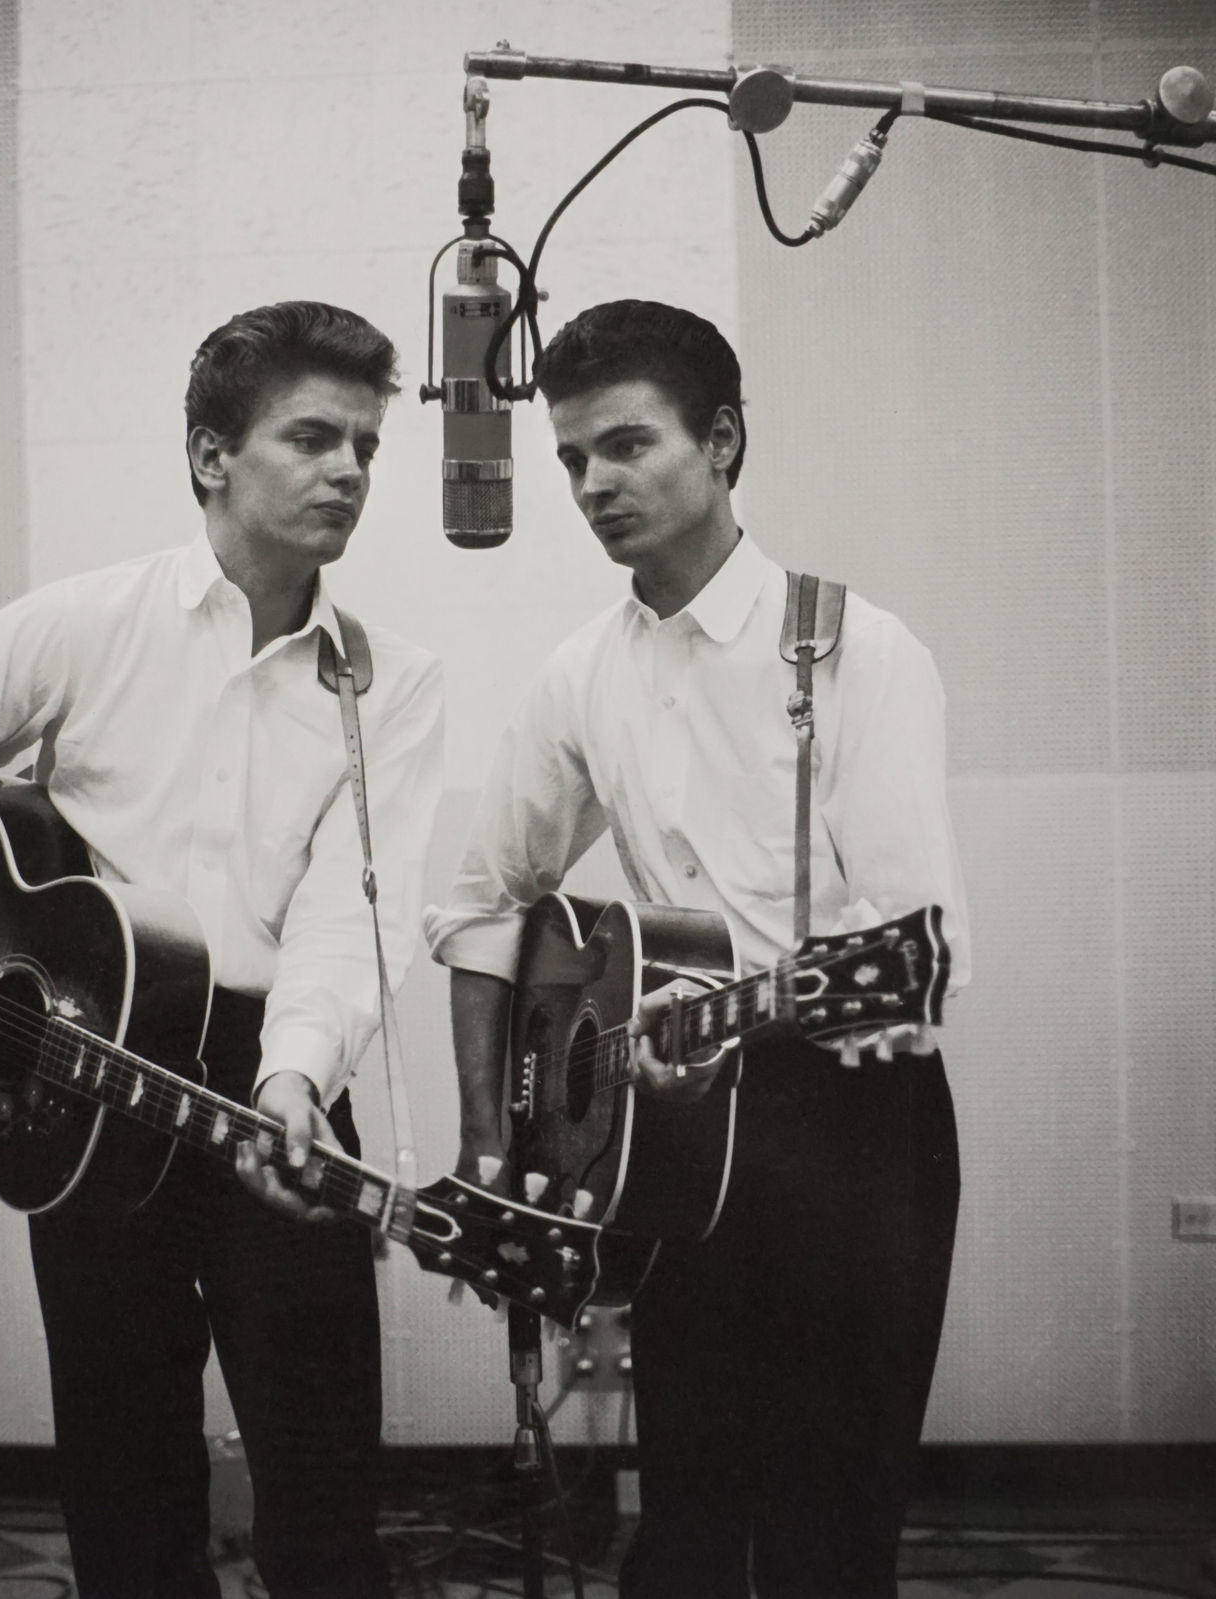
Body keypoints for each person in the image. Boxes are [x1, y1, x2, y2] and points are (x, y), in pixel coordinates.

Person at [0, 301, 445, 1599]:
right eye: (313, 438)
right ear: (212, 454)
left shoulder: (393, 682)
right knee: (127, 1513)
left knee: (325, 1512)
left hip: (274, 1084)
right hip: (74, 1093)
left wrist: (297, 1075)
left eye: (368, 446)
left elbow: (353, 919)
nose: (350, 473)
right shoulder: (77, 626)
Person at [423, 300, 968, 1598]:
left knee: (831, 1534)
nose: (595, 486)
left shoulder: (857, 653)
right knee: (686, 1518)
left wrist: (716, 1019)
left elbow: (903, 962)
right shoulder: (577, 677)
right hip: (667, 1143)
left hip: (850, 1122)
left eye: (626, 446)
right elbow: (476, 905)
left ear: (721, 440)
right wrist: (500, 1149)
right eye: (571, 461)